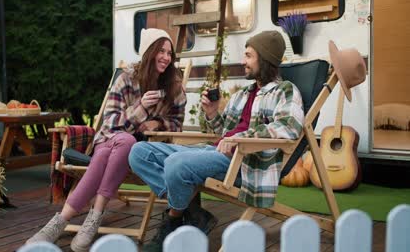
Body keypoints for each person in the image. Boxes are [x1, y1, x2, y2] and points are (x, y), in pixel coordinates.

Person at [128, 30, 305, 252]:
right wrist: (212, 113)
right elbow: (224, 133)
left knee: (177, 164)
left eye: (249, 56)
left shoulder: (285, 91)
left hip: (245, 164)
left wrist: (240, 138)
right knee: (139, 152)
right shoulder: (244, 93)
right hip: (215, 153)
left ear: (265, 58)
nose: (243, 61)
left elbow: (288, 127)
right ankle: (193, 214)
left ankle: (173, 220)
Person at [25, 28, 186, 252]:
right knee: (123, 142)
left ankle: (58, 222)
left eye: (170, 53)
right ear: (148, 52)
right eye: (161, 51)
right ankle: (95, 214)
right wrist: (141, 109)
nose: (166, 58)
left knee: (126, 144)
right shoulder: (126, 80)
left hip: (142, 151)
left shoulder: (173, 87)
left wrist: (157, 124)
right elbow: (110, 125)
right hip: (111, 140)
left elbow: (177, 123)